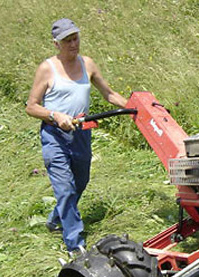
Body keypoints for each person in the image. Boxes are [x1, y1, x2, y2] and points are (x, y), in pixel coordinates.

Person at [26, 18, 127, 253]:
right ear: (56, 44)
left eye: (75, 38)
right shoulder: (47, 68)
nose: (73, 44)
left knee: (80, 182)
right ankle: (75, 245)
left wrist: (137, 108)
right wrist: (54, 115)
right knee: (65, 188)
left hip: (81, 133)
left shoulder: (88, 64)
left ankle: (56, 219)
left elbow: (110, 94)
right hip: (55, 135)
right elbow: (31, 106)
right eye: (67, 41)